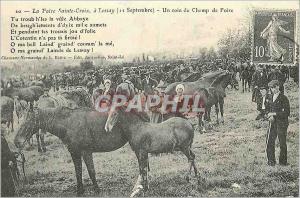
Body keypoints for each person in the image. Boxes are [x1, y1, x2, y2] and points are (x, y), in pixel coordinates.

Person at [266, 80, 290, 166]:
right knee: (269, 142)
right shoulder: (269, 97)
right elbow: (267, 110)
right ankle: (271, 161)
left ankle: (283, 162)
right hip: (272, 123)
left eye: (274, 87)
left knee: (282, 142)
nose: (273, 89)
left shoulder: (284, 98)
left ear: (278, 87)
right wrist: (269, 116)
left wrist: (274, 114)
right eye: (271, 88)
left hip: (282, 123)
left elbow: (287, 113)